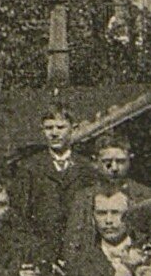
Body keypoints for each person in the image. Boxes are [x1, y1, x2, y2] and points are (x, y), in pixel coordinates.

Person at [8, 106, 100, 253]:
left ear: (73, 129)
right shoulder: (29, 168)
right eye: (49, 128)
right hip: (41, 249)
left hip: (79, 248)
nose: (54, 133)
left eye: (60, 127)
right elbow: (19, 214)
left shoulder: (87, 168)